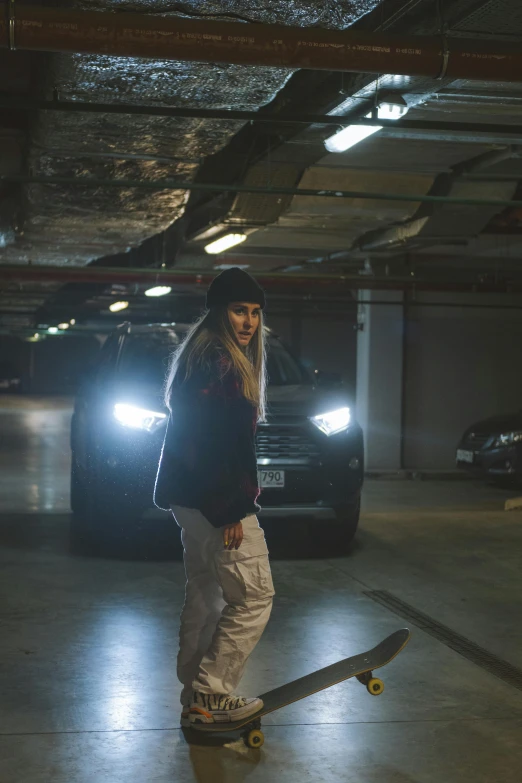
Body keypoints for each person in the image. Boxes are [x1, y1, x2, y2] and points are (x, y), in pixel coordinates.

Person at [154, 267, 275, 727]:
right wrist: (231, 510)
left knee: (207, 592)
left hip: (190, 500)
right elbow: (216, 446)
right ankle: (212, 693)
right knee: (255, 596)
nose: (248, 321)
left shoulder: (202, 357)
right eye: (239, 310)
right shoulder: (221, 364)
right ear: (219, 312)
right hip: (216, 502)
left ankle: (194, 693)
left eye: (255, 313)